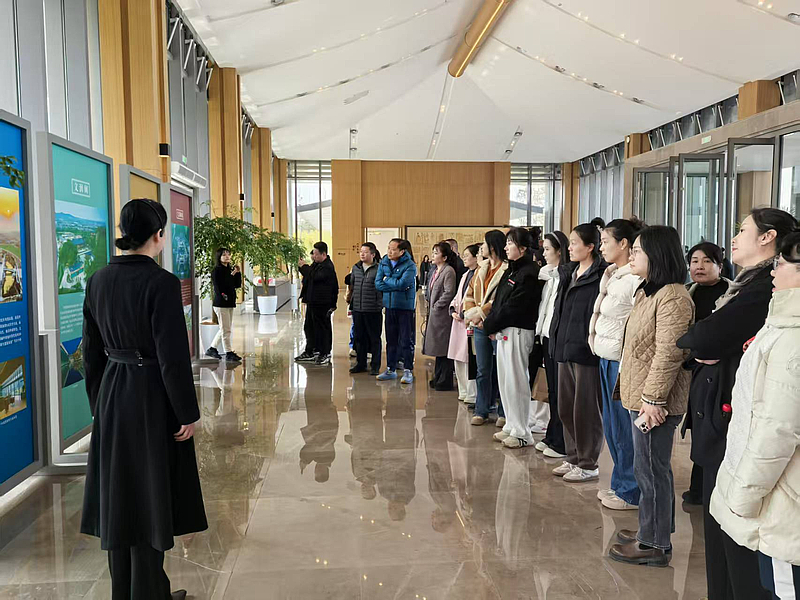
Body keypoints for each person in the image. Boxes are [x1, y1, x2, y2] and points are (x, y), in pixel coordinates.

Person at [81, 199, 206, 600]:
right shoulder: (161, 283)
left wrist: (99, 404)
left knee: (119, 499)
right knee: (151, 498)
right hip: (151, 396)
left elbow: (90, 353)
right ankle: (149, 593)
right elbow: (172, 356)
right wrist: (185, 412)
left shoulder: (98, 280)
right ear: (159, 235)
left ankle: (128, 592)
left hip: (112, 392)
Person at [677, 208, 798, 600]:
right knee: (724, 556)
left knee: (744, 567)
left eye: (742, 229)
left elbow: (778, 427)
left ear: (768, 237)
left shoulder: (768, 298)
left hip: (744, 455)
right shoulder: (761, 295)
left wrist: (742, 494)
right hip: (730, 438)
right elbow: (704, 339)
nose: (734, 237)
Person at [710, 231, 800, 599]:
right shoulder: (782, 322)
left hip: (780, 505)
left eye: (782, 264)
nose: (774, 272)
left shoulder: (793, 338)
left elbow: (776, 431)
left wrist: (742, 497)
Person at [608, 226, 694, 567]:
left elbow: (668, 353)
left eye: (638, 251)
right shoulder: (650, 292)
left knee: (651, 471)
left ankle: (654, 544)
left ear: (657, 256)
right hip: (642, 395)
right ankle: (653, 529)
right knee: (648, 468)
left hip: (654, 402)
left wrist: (654, 400)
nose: (631, 256)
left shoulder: (673, 297)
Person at [588, 218, 643, 511]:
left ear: (624, 244)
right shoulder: (613, 274)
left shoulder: (633, 279)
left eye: (605, 242)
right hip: (606, 358)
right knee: (612, 427)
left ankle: (630, 492)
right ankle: (620, 483)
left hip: (621, 363)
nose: (601, 247)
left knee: (624, 428)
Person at [549, 223, 607, 482]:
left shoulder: (601, 276)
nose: (569, 247)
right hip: (564, 347)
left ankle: (587, 462)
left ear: (590, 246)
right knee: (566, 408)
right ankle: (573, 457)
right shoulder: (569, 272)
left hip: (586, 352)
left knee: (586, 411)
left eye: (574, 243)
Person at [681, 241, 731, 506]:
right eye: (694, 261)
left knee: (712, 428)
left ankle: (708, 490)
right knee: (697, 426)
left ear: (720, 266)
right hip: (693, 367)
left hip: (718, 370)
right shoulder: (687, 293)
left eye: (707, 261)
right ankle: (698, 486)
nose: (699, 266)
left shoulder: (731, 293)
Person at [484, 228, 542, 448]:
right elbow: (500, 302)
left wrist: (490, 324)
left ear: (523, 248)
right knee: (505, 380)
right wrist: (491, 324)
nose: (506, 247)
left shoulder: (529, 273)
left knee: (517, 381)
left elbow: (514, 307)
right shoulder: (512, 270)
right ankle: (511, 423)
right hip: (503, 331)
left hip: (518, 330)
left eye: (510, 243)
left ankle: (522, 432)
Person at [464, 230, 509, 426]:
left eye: (484, 244)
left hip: (497, 325)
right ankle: (481, 410)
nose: (481, 247)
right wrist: (471, 314)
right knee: (482, 369)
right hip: (479, 325)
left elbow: (498, 299)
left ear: (492, 246)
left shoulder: (506, 269)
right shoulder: (481, 268)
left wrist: (480, 315)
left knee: (502, 369)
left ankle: (503, 412)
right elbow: (470, 293)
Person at [534, 231, 570, 459]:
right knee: (552, 391)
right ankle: (552, 434)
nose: (544, 253)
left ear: (559, 251)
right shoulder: (548, 276)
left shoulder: (565, 277)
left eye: (548, 249)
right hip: (546, 336)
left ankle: (561, 441)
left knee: (560, 392)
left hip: (559, 339)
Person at [375, 238, 417, 384]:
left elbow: (402, 284)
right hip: (389, 306)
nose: (390, 252)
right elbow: (378, 283)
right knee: (391, 340)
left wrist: (387, 280)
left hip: (405, 308)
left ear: (402, 251)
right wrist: (393, 283)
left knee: (406, 340)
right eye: (388, 248)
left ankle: (408, 370)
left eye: (393, 249)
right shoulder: (384, 262)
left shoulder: (410, 265)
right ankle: (390, 369)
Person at [295, 241, 338, 366]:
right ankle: (311, 351)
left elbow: (315, 276)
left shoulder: (327, 267)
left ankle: (325, 353)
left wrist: (304, 267)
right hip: (312, 301)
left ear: (323, 254)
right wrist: (301, 267)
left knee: (322, 328)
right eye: (312, 254)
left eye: (315, 254)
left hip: (323, 303)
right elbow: (309, 276)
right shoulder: (316, 264)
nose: (313, 256)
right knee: (309, 327)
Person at [423, 241, 458, 391]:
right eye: (433, 252)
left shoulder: (448, 271)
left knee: (443, 348)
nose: (433, 255)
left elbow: (449, 292)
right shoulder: (434, 270)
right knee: (437, 348)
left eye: (436, 253)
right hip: (434, 314)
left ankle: (444, 380)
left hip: (442, 315)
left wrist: (437, 305)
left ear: (444, 257)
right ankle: (437, 377)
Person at [448, 244, 480, 404]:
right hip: (458, 321)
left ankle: (472, 393)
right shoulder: (465, 274)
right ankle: (463, 390)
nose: (464, 258)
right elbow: (458, 296)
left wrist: (465, 313)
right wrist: (452, 309)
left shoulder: (479, 274)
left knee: (468, 358)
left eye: (467, 255)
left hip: (469, 321)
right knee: (458, 358)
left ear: (476, 257)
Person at [349, 242, 383, 376]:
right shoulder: (356, 267)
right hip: (358, 308)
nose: (362, 254)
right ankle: (361, 363)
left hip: (373, 309)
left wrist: (379, 304)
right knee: (359, 337)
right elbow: (352, 286)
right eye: (361, 252)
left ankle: (375, 365)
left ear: (373, 254)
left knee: (374, 338)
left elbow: (382, 289)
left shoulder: (379, 269)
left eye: (365, 252)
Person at [206, 247, 242, 363]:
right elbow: (219, 287)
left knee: (225, 329)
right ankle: (228, 352)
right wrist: (224, 295)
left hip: (230, 303)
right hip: (221, 303)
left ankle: (212, 349)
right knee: (226, 330)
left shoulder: (229, 270)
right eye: (224, 255)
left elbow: (236, 285)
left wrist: (237, 273)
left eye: (228, 254)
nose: (227, 256)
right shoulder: (217, 271)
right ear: (219, 257)